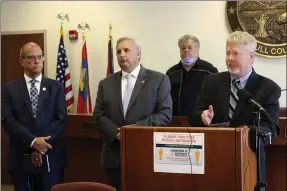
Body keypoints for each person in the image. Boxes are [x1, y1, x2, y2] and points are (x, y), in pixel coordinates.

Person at [189, 31, 281, 182]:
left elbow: (271, 129)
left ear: (251, 57)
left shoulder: (268, 88)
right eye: (227, 53)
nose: (230, 58)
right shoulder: (212, 82)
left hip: (249, 160)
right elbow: (194, 115)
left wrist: (244, 134)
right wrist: (202, 116)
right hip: (213, 157)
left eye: (236, 53)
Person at [93, 37, 172, 191]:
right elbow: (98, 115)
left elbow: (165, 114)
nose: (122, 55)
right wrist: (117, 133)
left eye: (126, 50)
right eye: (118, 52)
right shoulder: (106, 84)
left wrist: (132, 131)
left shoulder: (158, 80)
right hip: (114, 157)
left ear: (138, 54)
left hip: (145, 156)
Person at [1, 42, 68, 191]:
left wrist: (40, 147)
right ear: (21, 61)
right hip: (20, 156)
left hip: (50, 155)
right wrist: (32, 142)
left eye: (39, 57)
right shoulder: (9, 89)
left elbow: (61, 119)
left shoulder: (55, 87)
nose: (37, 61)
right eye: (31, 58)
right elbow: (7, 120)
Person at [166, 34, 218, 116]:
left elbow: (216, 97)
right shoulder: (171, 73)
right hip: (176, 121)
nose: (186, 50)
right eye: (183, 48)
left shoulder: (209, 70)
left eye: (189, 47)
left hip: (202, 121)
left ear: (197, 50)